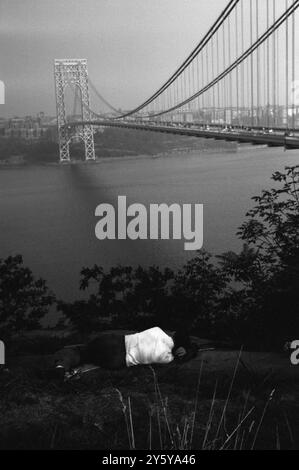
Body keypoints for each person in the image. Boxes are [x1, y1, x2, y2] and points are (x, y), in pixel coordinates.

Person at [52, 327, 196, 379]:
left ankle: (61, 366)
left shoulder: (157, 331)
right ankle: (68, 371)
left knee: (81, 351)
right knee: (90, 359)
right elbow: (183, 358)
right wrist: (191, 349)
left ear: (174, 334)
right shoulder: (167, 358)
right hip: (118, 359)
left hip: (115, 341)